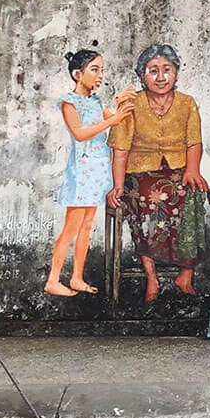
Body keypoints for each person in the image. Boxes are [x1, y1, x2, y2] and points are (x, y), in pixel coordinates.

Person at [107, 43, 209, 303]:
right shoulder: (131, 104)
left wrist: (193, 170)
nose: (161, 77)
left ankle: (185, 274)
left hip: (177, 169)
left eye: (167, 70)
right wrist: (117, 185)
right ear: (142, 75)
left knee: (194, 194)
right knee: (147, 199)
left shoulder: (188, 103)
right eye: (153, 71)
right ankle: (151, 276)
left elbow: (194, 142)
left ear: (176, 73)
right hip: (139, 172)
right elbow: (120, 149)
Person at [46, 46, 135, 297]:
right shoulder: (69, 102)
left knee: (86, 226)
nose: (99, 75)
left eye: (101, 70)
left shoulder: (96, 101)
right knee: (71, 228)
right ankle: (53, 279)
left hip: (97, 172)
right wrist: (112, 120)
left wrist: (122, 103)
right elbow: (80, 134)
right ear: (78, 74)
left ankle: (76, 277)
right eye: (94, 70)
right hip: (81, 172)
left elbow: (117, 120)